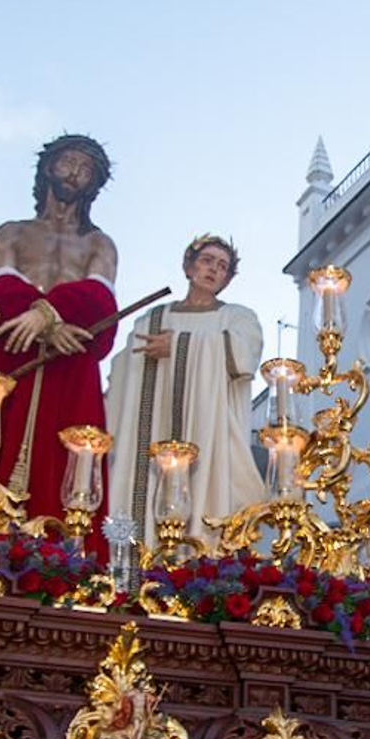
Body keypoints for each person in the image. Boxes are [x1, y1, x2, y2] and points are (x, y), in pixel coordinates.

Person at [0, 134, 119, 537]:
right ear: (47, 168)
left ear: (94, 184)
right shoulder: (13, 233)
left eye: (85, 168)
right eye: (67, 162)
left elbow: (101, 300)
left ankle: (65, 556)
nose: (74, 172)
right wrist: (48, 320)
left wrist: (48, 314)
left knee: (70, 458)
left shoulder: (98, 243)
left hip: (69, 363)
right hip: (12, 353)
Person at [106, 234, 267, 550]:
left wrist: (179, 346)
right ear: (189, 266)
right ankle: (127, 567)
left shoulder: (237, 317)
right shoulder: (152, 319)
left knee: (209, 508)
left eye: (222, 267)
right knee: (136, 506)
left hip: (209, 436)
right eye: (207, 261)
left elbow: (244, 357)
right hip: (150, 430)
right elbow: (124, 370)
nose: (214, 270)